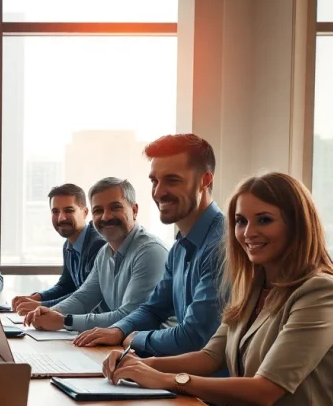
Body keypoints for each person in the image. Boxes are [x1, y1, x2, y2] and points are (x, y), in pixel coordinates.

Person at [104, 172, 333, 406]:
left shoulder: (320, 291)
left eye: (264, 220)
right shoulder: (253, 285)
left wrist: (169, 380)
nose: (248, 233)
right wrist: (138, 366)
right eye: (240, 221)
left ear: (296, 224)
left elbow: (264, 391)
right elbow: (210, 357)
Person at [74, 134, 225, 356]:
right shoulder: (180, 246)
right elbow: (154, 309)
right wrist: (118, 330)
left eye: (172, 180)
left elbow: (195, 336)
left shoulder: (221, 244)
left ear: (205, 180)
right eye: (154, 181)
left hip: (206, 385)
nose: (158, 192)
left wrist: (134, 338)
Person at [24, 178, 168, 333]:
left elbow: (130, 317)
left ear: (134, 210)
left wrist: (64, 321)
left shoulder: (149, 251)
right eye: (98, 210)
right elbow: (83, 298)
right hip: (122, 345)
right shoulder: (105, 252)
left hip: (154, 351)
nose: (106, 217)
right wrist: (50, 312)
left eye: (115, 207)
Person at [12, 184, 105, 314]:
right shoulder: (68, 245)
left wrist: (42, 305)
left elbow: (86, 295)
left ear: (85, 212)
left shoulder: (98, 245)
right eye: (55, 211)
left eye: (69, 210)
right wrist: (36, 297)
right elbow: (65, 286)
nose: (61, 218)